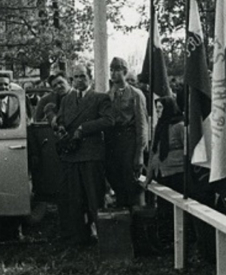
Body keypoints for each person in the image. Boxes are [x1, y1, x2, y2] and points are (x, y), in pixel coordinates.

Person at [55, 66, 115, 246]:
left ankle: (103, 238)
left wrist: (84, 129)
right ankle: (78, 238)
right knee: (74, 199)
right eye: (75, 77)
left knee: (95, 198)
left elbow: (109, 120)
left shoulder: (100, 98)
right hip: (71, 155)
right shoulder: (67, 99)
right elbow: (60, 119)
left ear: (90, 77)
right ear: (71, 80)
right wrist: (60, 128)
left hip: (91, 155)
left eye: (83, 76)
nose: (79, 80)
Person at [105, 57, 148, 208]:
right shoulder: (108, 95)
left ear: (124, 71)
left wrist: (140, 153)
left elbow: (142, 124)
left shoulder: (135, 94)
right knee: (115, 180)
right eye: (111, 70)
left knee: (131, 183)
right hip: (112, 142)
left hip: (128, 140)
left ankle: (135, 221)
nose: (113, 73)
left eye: (117, 70)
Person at [146, 96, 185, 193]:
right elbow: (153, 151)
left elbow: (188, 149)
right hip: (160, 172)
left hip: (177, 173)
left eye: (160, 107)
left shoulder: (180, 126)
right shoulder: (158, 127)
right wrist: (148, 178)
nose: (157, 110)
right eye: (156, 108)